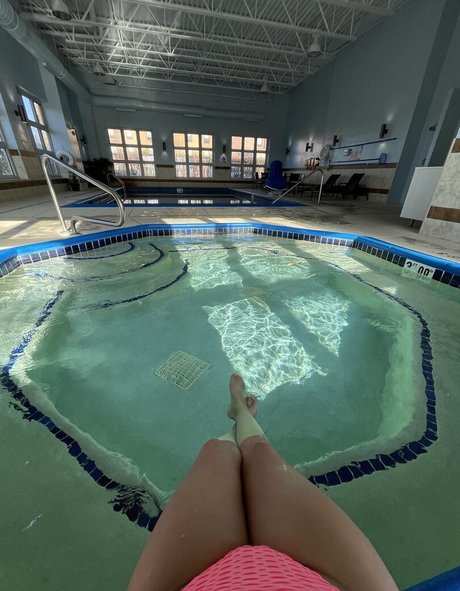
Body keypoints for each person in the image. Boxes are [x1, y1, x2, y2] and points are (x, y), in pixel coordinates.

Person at [128, 374, 398, 591]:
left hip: (199, 582)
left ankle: (238, 420)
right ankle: (241, 416)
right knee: (259, 452)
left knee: (216, 452)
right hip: (318, 581)